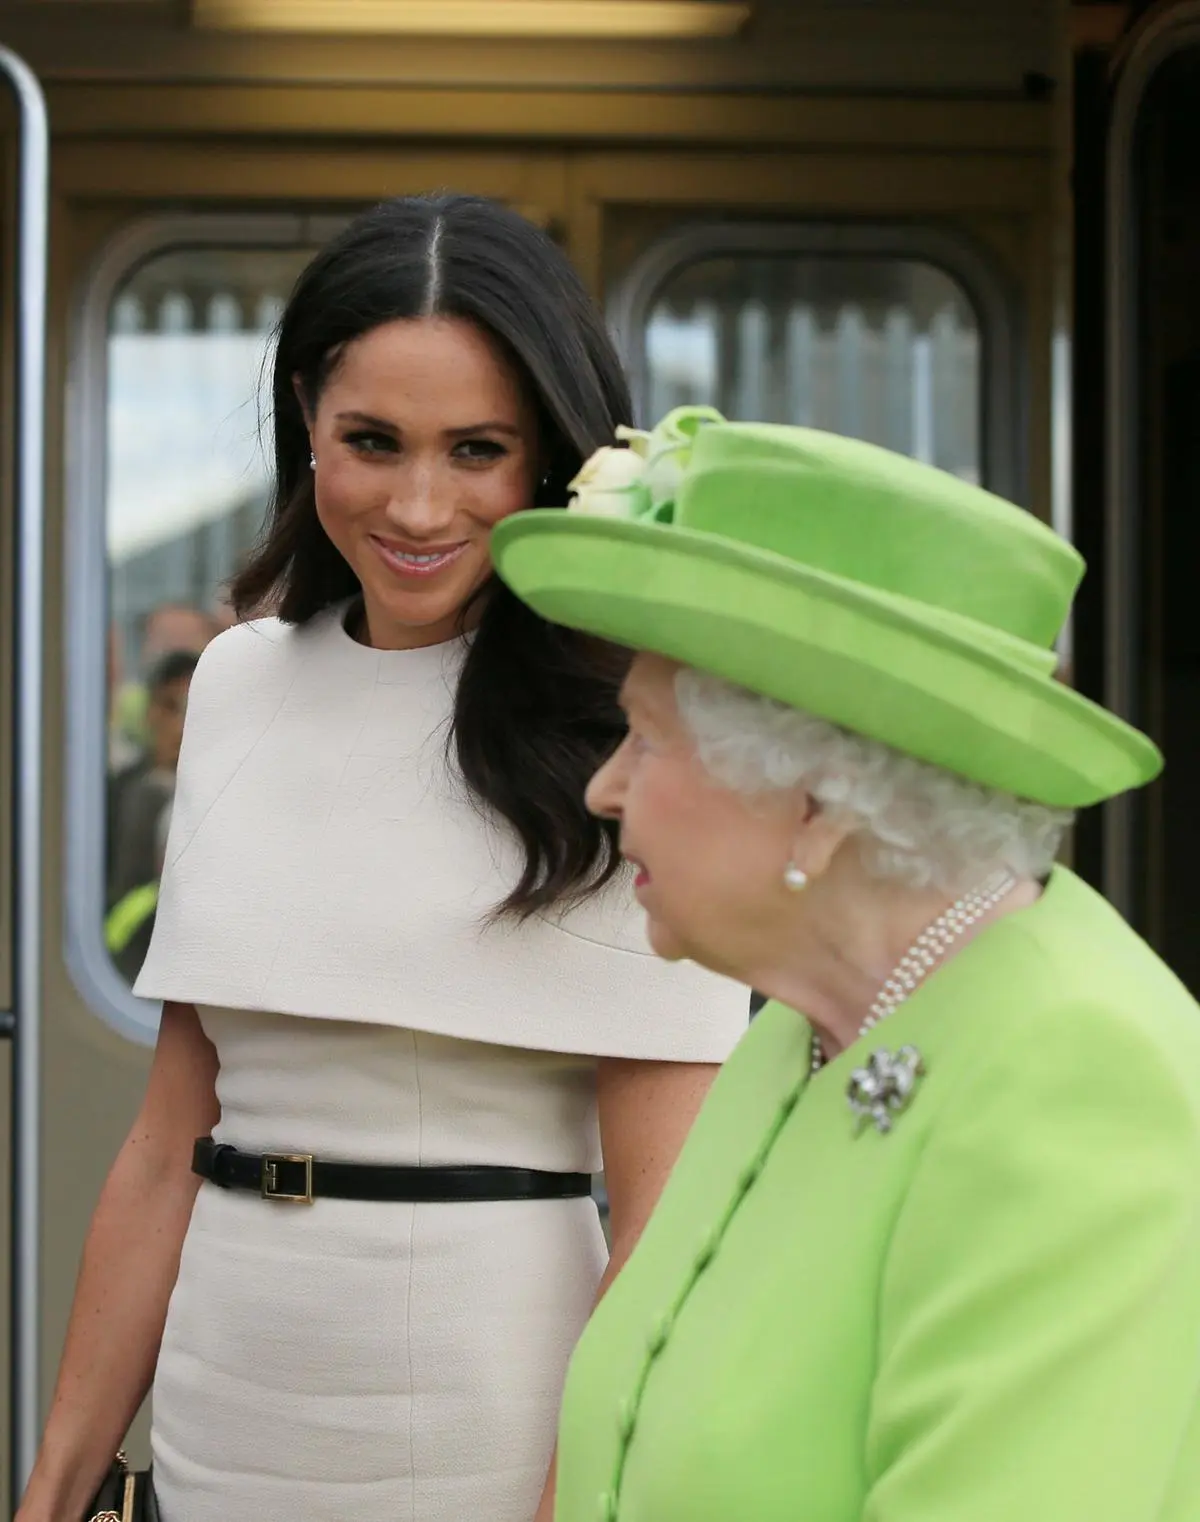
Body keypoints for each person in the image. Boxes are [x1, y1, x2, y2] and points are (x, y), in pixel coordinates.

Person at [19, 201, 746, 1522]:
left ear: (549, 459)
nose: (420, 504)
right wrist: (55, 1486)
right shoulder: (239, 681)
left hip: (485, 1439)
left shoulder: (637, 726)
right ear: (308, 420)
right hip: (214, 1423)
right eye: (373, 442)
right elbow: (165, 1141)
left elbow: (661, 1230)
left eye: (478, 449)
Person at [490, 407, 1200, 1522]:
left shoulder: (1079, 1066)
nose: (603, 789)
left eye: (647, 740)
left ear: (816, 803)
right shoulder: (800, 1024)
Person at [106, 649, 198, 914]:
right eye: (171, 707)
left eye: (192, 709)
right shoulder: (113, 796)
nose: (181, 725)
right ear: (149, 712)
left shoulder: (230, 799)